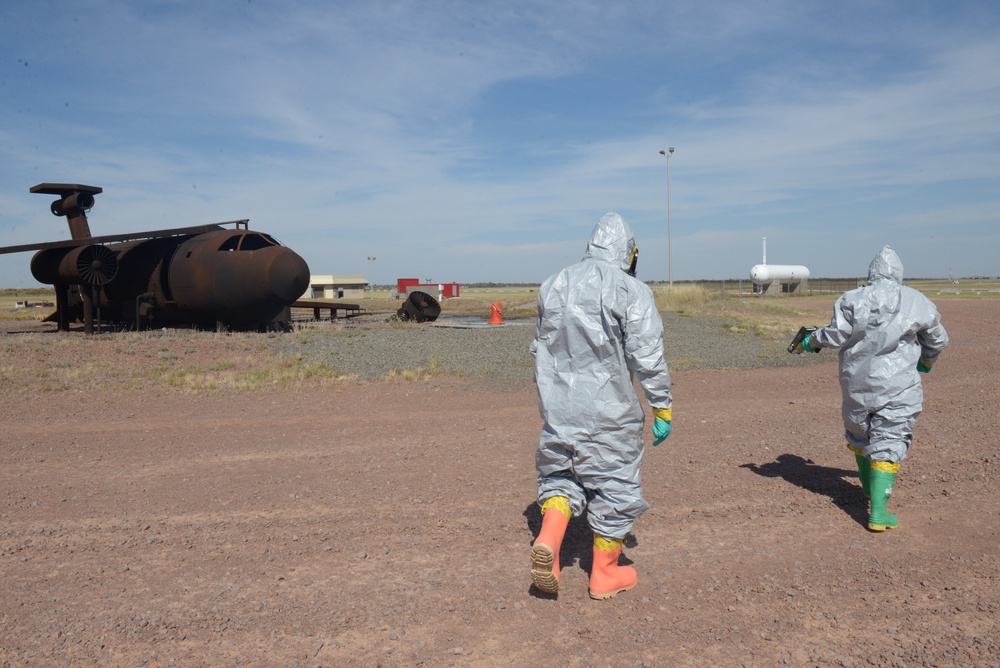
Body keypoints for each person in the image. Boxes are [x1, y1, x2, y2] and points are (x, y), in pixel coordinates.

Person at [529, 212, 673, 600]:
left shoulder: (553, 283)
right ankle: (604, 574)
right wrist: (662, 407)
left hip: (559, 409)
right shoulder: (630, 290)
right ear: (628, 251)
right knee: (616, 486)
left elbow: (540, 350)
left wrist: (551, 401)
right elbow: (649, 358)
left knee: (561, 476)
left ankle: (549, 542)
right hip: (610, 412)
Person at [792, 245, 948, 531]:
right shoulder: (916, 300)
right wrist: (926, 362)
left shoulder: (854, 298)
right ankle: (878, 511)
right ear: (898, 273)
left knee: (860, 432)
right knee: (890, 436)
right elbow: (937, 339)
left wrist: (810, 341)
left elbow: (836, 333)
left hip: (857, 381)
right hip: (899, 384)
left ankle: (867, 490)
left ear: (872, 272)